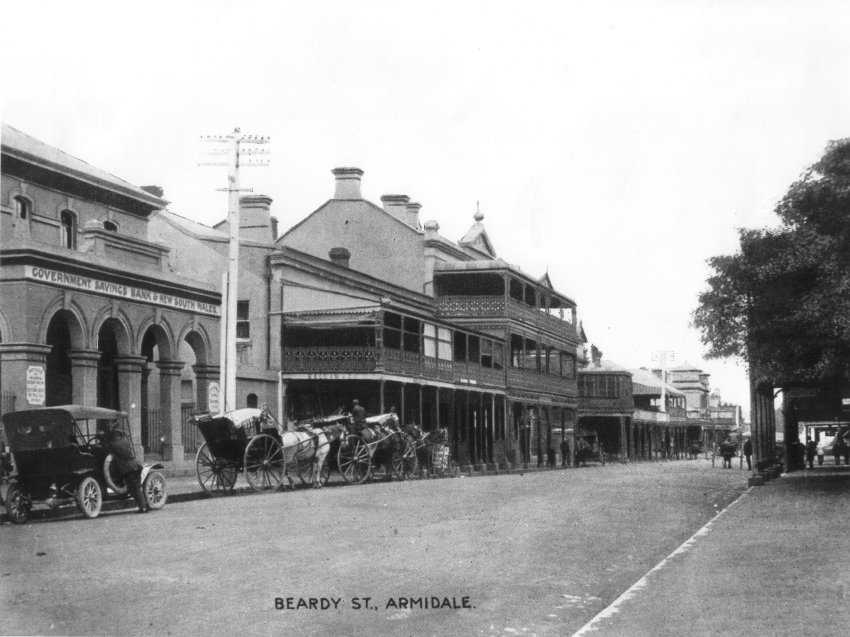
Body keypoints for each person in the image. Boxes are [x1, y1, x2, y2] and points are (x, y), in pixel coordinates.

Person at [106, 429, 147, 513]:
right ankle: (144, 506)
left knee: (134, 489)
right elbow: (125, 435)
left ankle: (143, 507)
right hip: (136, 466)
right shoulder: (125, 441)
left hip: (129, 469)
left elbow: (108, 450)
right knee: (137, 488)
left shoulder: (114, 445)